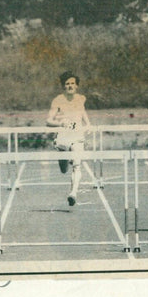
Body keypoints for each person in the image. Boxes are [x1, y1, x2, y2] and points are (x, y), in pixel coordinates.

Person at [46, 71, 91, 206]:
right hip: (63, 136)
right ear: (63, 86)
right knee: (64, 169)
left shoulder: (81, 98)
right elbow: (48, 120)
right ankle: (64, 160)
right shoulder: (58, 100)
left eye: (72, 83)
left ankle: (73, 193)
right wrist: (61, 123)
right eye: (67, 84)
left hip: (77, 135)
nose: (70, 86)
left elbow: (82, 111)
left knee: (77, 165)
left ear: (76, 86)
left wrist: (87, 123)